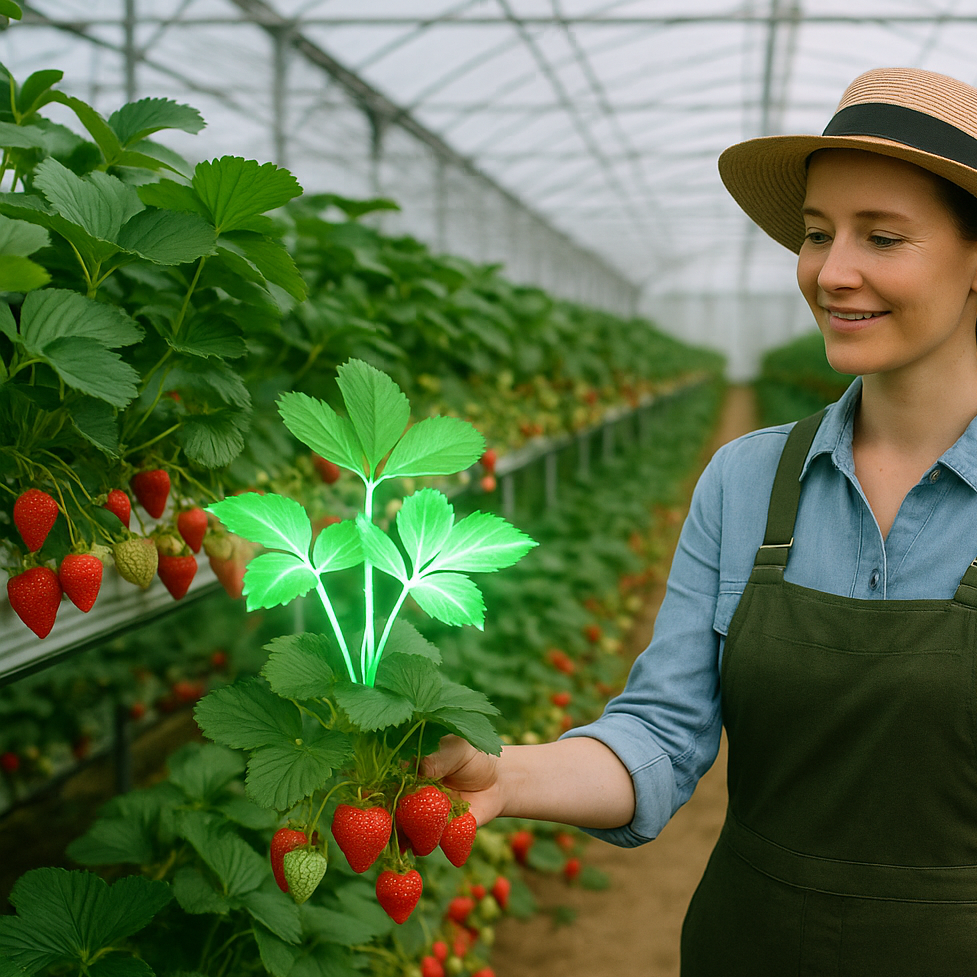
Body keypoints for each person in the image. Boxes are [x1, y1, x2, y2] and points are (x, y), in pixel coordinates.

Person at [423, 67, 977, 973]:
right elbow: (662, 729)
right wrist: (504, 775)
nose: (832, 272)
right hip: (749, 944)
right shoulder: (747, 478)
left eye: (881, 236)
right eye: (815, 234)